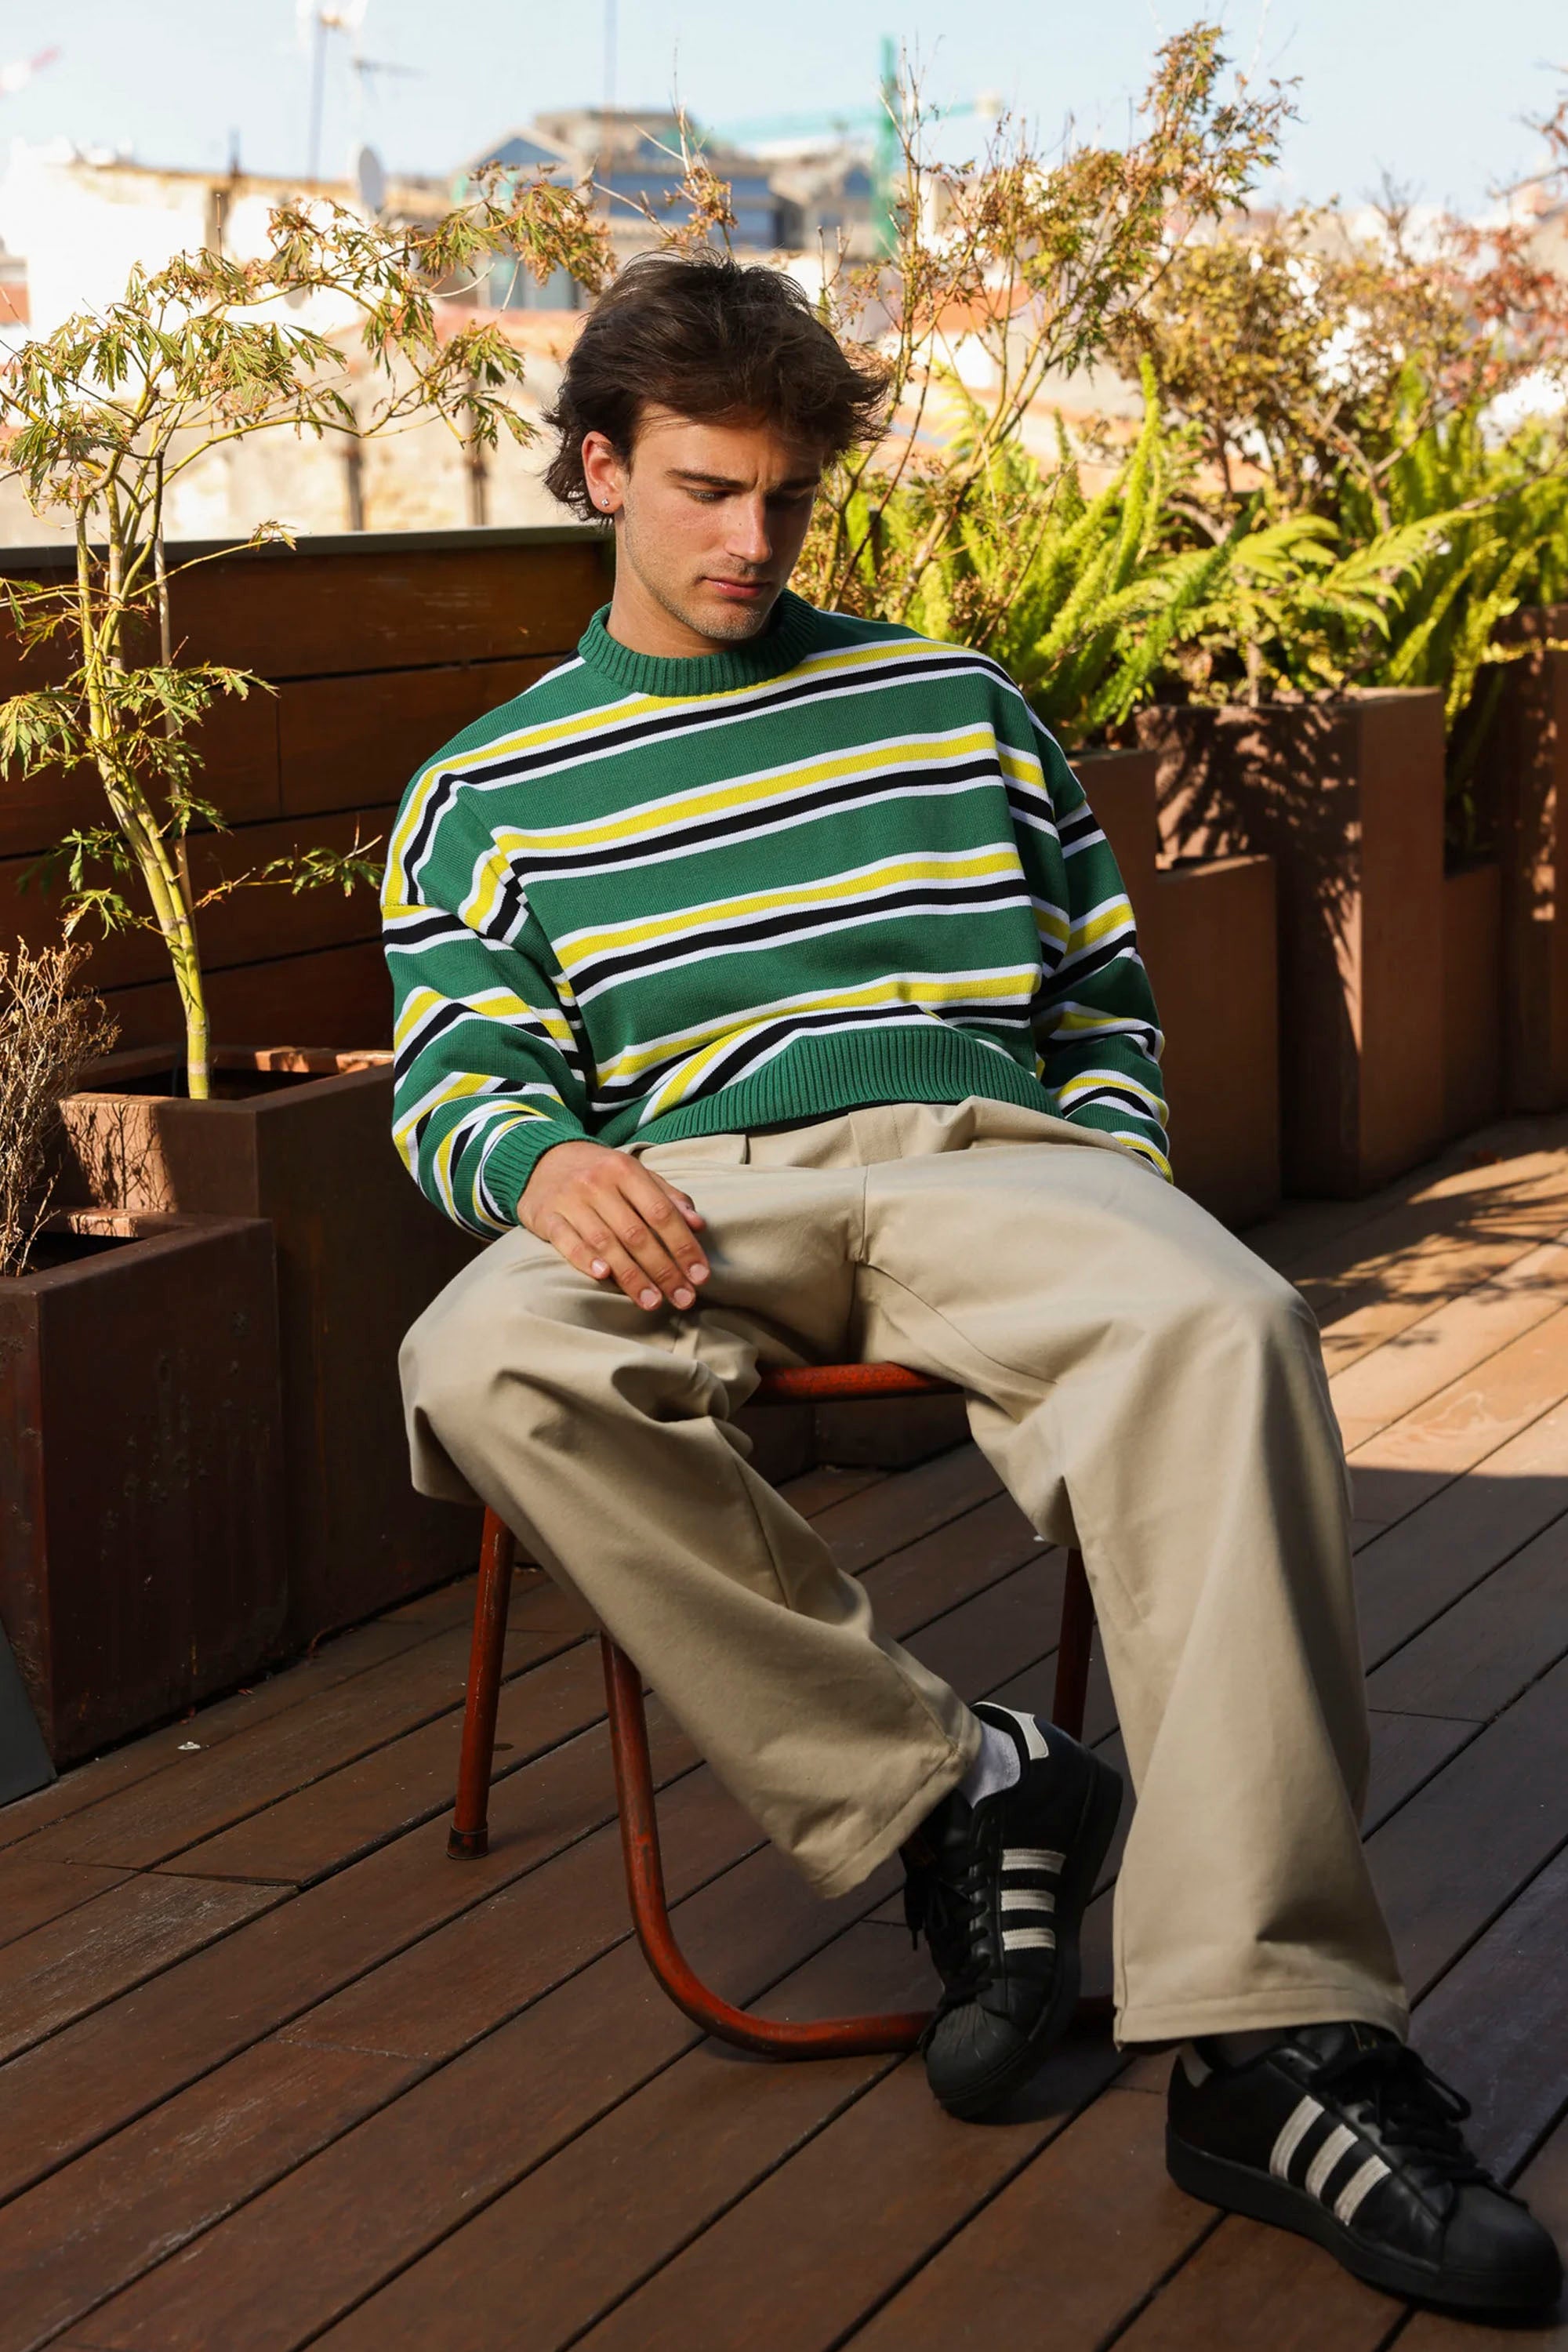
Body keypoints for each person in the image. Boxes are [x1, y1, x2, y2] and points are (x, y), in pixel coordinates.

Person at [384, 253, 1560, 2320]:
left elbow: (1101, 982)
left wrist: (1106, 1174)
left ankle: (1274, 2040)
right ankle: (952, 1783)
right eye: (702, 491)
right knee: (479, 1356)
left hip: (975, 1157)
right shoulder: (486, 790)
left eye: (784, 498)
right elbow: (459, 1069)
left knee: (1225, 1323)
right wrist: (542, 1161)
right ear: (599, 472)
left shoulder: (949, 703)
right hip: (682, 1195)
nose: (752, 541)